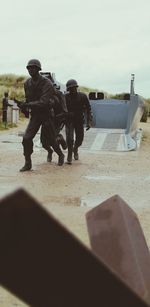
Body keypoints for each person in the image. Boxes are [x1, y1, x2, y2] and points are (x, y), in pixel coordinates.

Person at [16, 59, 64, 172]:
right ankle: (28, 163)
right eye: (28, 68)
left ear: (38, 69)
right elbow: (28, 99)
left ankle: (60, 154)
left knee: (51, 140)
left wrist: (28, 104)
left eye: (33, 67)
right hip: (36, 115)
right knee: (26, 138)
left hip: (47, 114)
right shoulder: (27, 83)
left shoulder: (47, 83)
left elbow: (44, 102)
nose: (30, 70)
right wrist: (24, 106)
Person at [65, 79, 92, 164]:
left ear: (76, 87)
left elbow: (88, 109)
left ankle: (75, 148)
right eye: (70, 88)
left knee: (79, 140)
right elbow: (61, 109)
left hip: (79, 120)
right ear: (68, 89)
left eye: (73, 88)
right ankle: (69, 155)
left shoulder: (83, 96)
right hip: (69, 121)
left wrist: (89, 122)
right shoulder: (65, 97)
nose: (72, 90)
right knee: (69, 139)